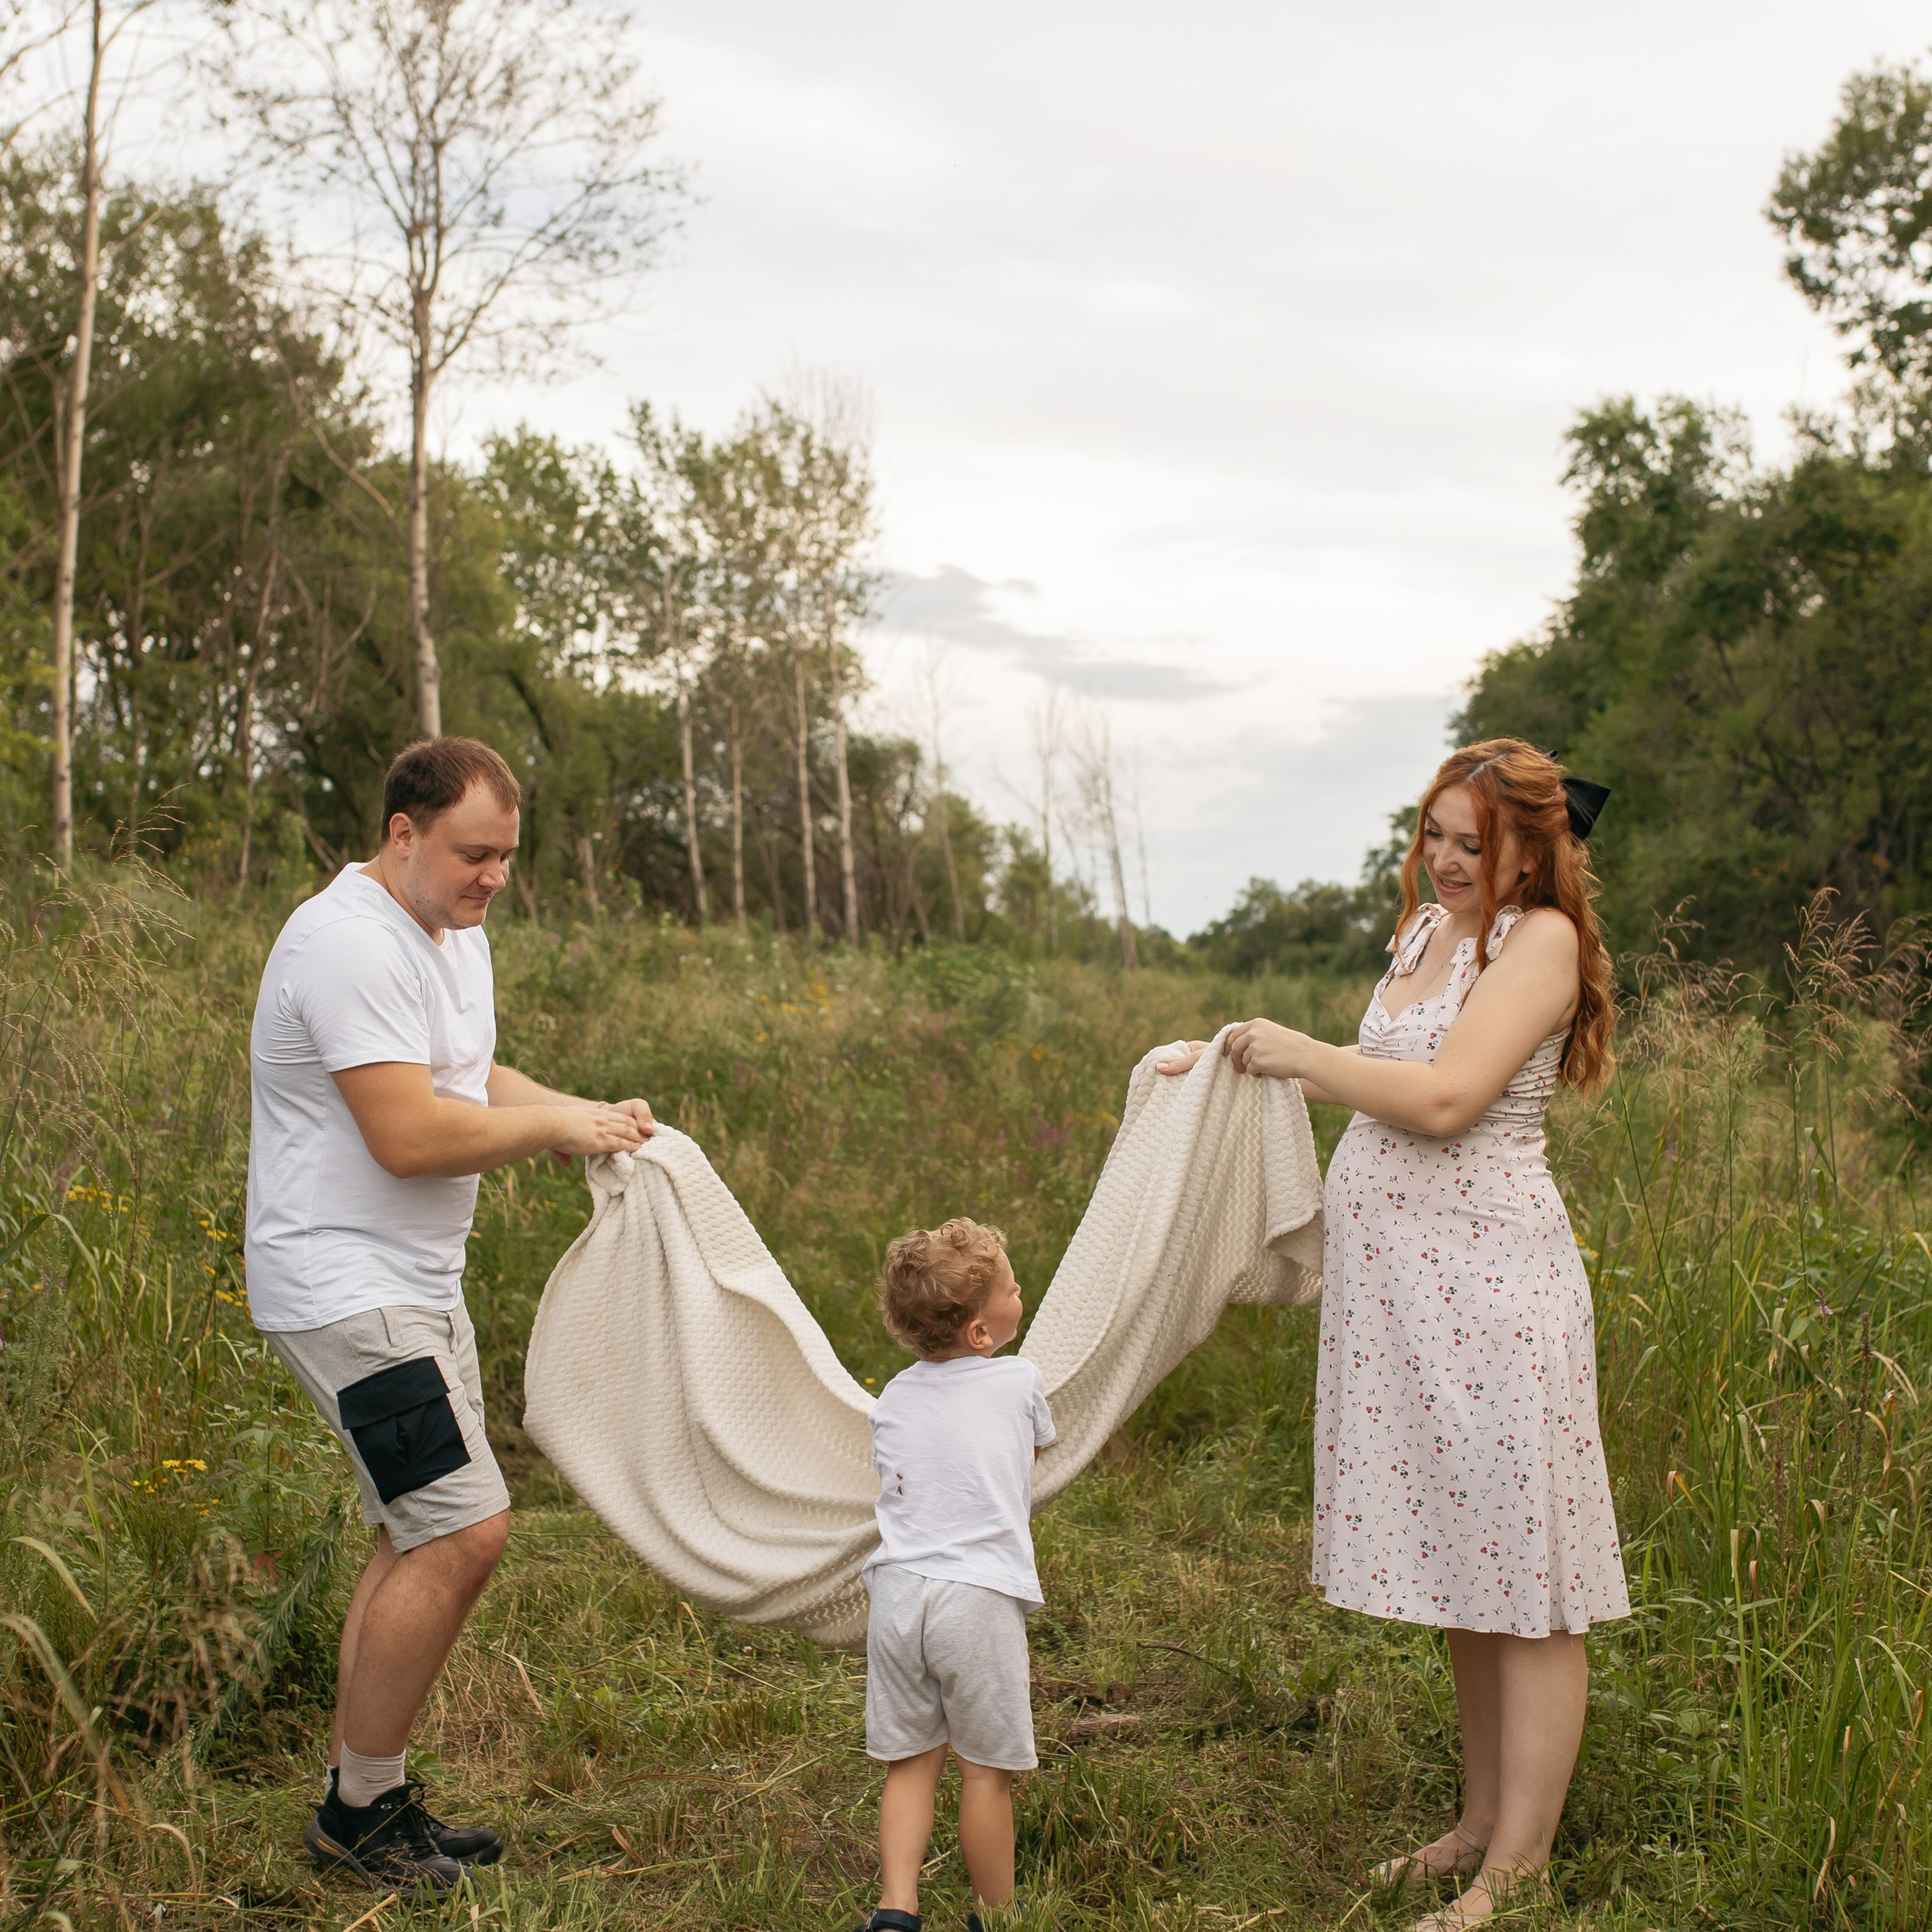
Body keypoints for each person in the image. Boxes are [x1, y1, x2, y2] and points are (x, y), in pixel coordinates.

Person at [1158, 738, 1629, 1932]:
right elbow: (1368, 1070)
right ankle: (1477, 1824)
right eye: (1437, 835)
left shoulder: (1543, 945)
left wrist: (1301, 1055)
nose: (1452, 859)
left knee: (1532, 1581)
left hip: (1496, 1292)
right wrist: (1224, 1065)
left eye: (1479, 842)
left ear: (1537, 845)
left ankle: (1514, 1873)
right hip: (1407, 1299)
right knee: (1472, 1567)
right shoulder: (1424, 936)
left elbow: (1442, 1098)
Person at [245, 736, 657, 1891]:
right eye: (474, 854)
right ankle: (355, 1820)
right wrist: (553, 1130)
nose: (492, 879)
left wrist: (586, 1109)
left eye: (507, 859)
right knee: (465, 1530)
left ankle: (366, 1801)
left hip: (418, 1287)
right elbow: (411, 1135)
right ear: (404, 833)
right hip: (342, 1290)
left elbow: (470, 1084)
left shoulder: (451, 933)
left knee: (417, 1528)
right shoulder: (343, 944)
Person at [851, 1220, 1056, 1932]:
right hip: (977, 1597)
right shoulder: (1021, 1377)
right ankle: (995, 1917)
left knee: (910, 1762)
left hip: (899, 1595)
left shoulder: (895, 1397)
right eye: (1011, 1289)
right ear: (978, 1333)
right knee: (983, 1774)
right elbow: (1030, 1455)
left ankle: (896, 1909)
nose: (1020, 1291)